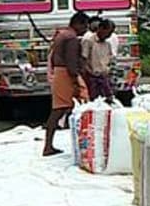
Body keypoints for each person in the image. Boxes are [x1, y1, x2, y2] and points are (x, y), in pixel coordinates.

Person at [43, 12, 90, 156]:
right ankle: (48, 146)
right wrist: (77, 78)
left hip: (59, 72)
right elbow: (71, 62)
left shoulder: (62, 34)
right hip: (65, 74)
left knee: (62, 108)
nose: (85, 29)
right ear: (78, 24)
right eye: (85, 26)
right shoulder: (71, 38)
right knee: (59, 109)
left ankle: (49, 144)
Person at [81, 18, 117, 102]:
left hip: (104, 77)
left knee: (108, 99)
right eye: (108, 32)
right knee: (93, 100)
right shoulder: (89, 41)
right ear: (101, 29)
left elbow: (109, 60)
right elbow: (83, 60)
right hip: (92, 77)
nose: (109, 36)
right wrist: (89, 73)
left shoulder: (107, 44)